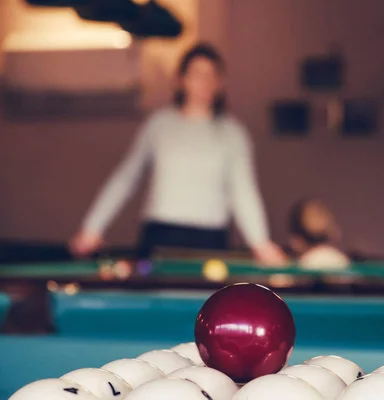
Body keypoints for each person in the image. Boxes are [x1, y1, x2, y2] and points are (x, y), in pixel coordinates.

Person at [70, 43, 286, 265]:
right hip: (161, 236)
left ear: (220, 83)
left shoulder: (233, 134)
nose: (204, 82)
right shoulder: (159, 125)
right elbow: (125, 178)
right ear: (181, 80)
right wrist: (91, 228)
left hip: (210, 240)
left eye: (211, 75)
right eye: (197, 74)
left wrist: (260, 242)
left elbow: (243, 191)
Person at [288, 198, 350, 270]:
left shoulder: (337, 257)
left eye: (321, 213)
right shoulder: (312, 260)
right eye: (315, 215)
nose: (323, 218)